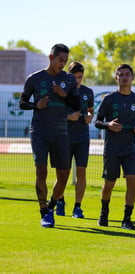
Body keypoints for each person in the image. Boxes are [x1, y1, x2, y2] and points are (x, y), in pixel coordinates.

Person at [19, 43, 80, 228]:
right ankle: (43, 211)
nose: (62, 64)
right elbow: (22, 102)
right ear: (51, 58)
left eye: (65, 61)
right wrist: (35, 105)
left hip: (61, 132)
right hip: (40, 132)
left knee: (64, 175)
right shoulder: (34, 78)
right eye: (60, 60)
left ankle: (52, 205)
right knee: (41, 171)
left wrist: (63, 94)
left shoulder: (68, 80)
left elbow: (76, 104)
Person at [95, 64, 135, 230]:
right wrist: (108, 124)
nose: (124, 77)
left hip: (130, 147)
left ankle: (127, 218)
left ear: (132, 78)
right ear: (116, 78)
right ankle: (104, 212)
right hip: (112, 148)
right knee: (109, 183)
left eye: (127, 74)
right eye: (121, 74)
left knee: (132, 182)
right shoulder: (109, 99)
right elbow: (97, 122)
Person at [55, 62, 94, 218]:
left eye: (80, 77)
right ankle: (60, 200)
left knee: (81, 171)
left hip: (82, 138)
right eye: (75, 76)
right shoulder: (61, 91)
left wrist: (89, 117)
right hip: (64, 137)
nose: (78, 80)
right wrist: (67, 117)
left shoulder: (87, 92)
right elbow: (53, 113)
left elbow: (91, 111)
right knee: (62, 174)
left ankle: (78, 207)